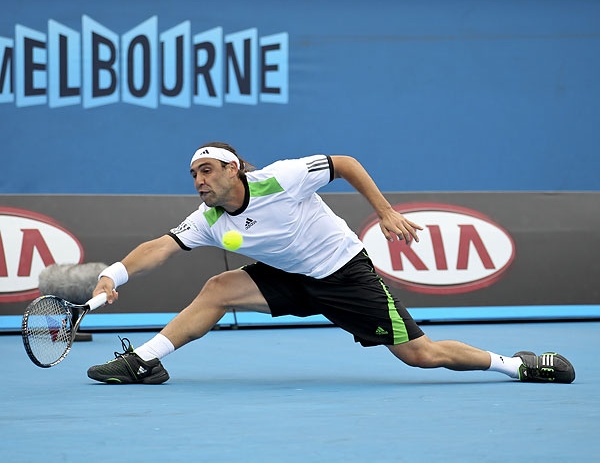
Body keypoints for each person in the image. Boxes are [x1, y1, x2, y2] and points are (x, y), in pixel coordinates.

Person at [87, 142, 575, 385]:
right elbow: (160, 246)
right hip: (289, 276)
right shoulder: (208, 218)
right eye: (194, 174)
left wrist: (384, 211)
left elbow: (344, 163)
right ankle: (145, 362)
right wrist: (113, 274)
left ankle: (517, 365)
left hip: (343, 273)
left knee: (421, 355)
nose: (199, 180)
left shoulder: (281, 179)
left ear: (232, 168)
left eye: (207, 170)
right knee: (218, 288)